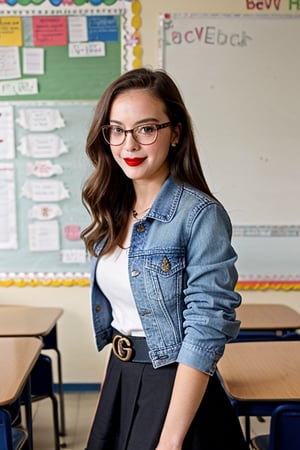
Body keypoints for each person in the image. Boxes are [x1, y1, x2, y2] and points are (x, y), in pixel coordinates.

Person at [81, 67, 249, 450]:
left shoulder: (199, 214)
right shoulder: (112, 211)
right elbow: (123, 319)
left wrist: (170, 441)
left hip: (177, 389)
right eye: (117, 129)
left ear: (175, 133)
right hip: (121, 378)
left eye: (146, 128)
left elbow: (206, 328)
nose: (130, 145)